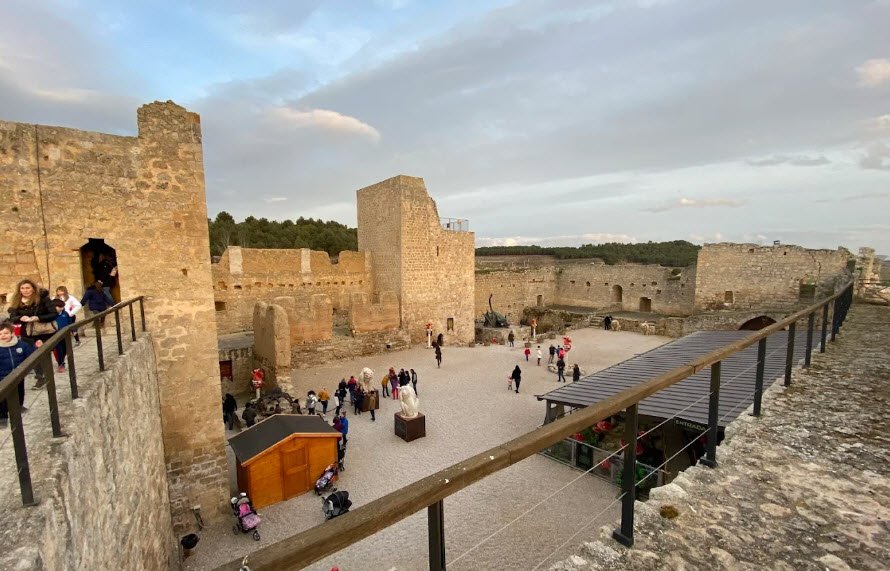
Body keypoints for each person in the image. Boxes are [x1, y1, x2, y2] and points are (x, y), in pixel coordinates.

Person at [8, 279, 56, 389]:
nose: (25, 290)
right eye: (22, 288)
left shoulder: (43, 299)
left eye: (28, 288)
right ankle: (41, 377)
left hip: (43, 332)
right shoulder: (17, 301)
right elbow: (12, 318)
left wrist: (38, 318)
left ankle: (47, 376)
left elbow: (53, 314)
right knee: (31, 356)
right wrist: (21, 318)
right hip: (27, 333)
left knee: (42, 354)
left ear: (33, 289)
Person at [0, 321, 36, 427]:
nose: (3, 336)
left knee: (20, 391)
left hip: (18, 375)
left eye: (6, 333)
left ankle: (19, 406)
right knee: (2, 398)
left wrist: (36, 348)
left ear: (12, 333)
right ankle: (3, 417)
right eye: (0, 334)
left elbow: (30, 355)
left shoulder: (21, 345)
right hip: (2, 376)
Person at [51, 299, 74, 372]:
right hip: (56, 335)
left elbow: (70, 323)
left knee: (65, 350)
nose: (60, 308)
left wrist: (73, 330)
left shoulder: (65, 314)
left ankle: (62, 360)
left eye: (62, 307)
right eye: (58, 307)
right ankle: (60, 364)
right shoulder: (52, 316)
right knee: (59, 350)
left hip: (66, 335)